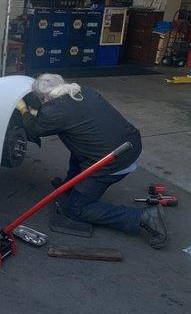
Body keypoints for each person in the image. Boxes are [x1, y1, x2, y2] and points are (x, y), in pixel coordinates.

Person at [17, 74, 168, 249]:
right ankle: (71, 187)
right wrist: (38, 112)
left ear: (45, 97)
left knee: (76, 210)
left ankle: (143, 217)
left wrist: (23, 109)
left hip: (112, 161)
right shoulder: (82, 92)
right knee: (78, 146)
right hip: (129, 144)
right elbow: (65, 117)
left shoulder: (54, 111)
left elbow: (34, 128)